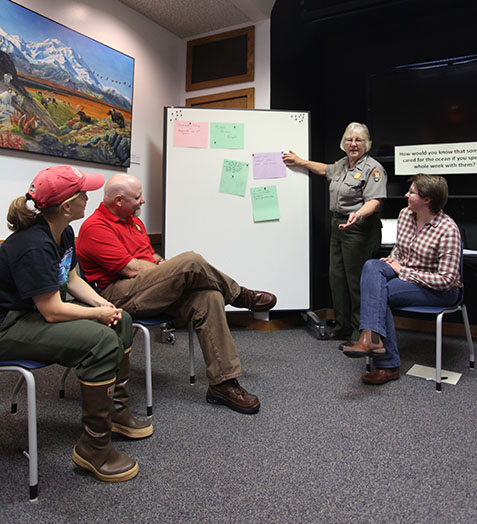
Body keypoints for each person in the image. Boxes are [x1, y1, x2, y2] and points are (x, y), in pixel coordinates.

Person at [0, 165, 153, 483]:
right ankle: (94, 449)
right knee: (100, 340)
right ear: (67, 205)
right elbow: (53, 310)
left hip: (36, 311)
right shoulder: (32, 245)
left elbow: (69, 279)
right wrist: (96, 315)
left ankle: (116, 413)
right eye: (83, 193)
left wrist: (103, 305)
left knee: (121, 320)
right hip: (9, 325)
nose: (89, 197)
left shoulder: (64, 231)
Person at [76, 174, 277, 415]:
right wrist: (168, 269)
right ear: (118, 200)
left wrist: (163, 266)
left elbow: (151, 258)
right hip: (116, 297)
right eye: (137, 197)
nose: (143, 201)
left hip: (147, 290)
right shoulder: (95, 227)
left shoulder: (134, 222)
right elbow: (129, 269)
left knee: (210, 297)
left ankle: (222, 384)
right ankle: (239, 295)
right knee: (190, 261)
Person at [342, 174, 462, 384]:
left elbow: (447, 280)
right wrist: (392, 260)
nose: (406, 194)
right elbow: (400, 250)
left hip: (440, 291)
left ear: (427, 200)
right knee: (372, 266)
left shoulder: (448, 230)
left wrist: (402, 271)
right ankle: (373, 341)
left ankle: (385, 361)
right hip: (405, 273)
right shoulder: (406, 214)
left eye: (412, 192)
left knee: (381, 294)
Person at [283, 122, 387, 342]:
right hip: (338, 226)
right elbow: (324, 169)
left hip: (359, 228)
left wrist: (358, 214)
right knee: (337, 278)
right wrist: (300, 162)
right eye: (349, 139)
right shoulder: (342, 165)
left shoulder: (373, 169)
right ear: (343, 143)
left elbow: (375, 201)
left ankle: (363, 332)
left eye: (358, 140)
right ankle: (343, 326)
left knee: (356, 281)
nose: (353, 144)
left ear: (366, 143)